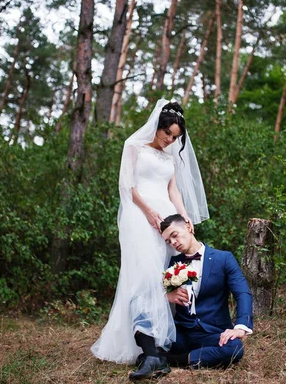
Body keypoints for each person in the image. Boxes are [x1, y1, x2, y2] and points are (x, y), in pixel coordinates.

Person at [90, 100, 209, 380]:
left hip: (166, 220)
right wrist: (149, 213)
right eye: (167, 133)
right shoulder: (133, 147)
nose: (170, 140)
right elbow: (127, 186)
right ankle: (149, 349)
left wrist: (184, 216)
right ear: (157, 126)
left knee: (165, 277)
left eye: (175, 137)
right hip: (139, 217)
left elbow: (174, 191)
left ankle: (156, 348)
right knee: (143, 278)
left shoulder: (169, 158)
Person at [159, 213, 253, 369]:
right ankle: (193, 356)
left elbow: (242, 293)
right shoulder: (171, 263)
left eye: (174, 235)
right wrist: (166, 296)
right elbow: (149, 293)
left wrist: (240, 327)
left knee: (234, 349)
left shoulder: (224, 258)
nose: (173, 243)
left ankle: (174, 360)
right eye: (168, 241)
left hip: (213, 333)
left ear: (188, 227)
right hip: (181, 333)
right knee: (153, 337)